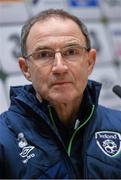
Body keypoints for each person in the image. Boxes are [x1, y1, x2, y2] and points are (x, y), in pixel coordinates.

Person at [0, 9, 121, 179]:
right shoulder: (3, 138)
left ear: (90, 62)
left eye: (71, 52)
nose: (59, 67)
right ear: (25, 68)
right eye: (43, 55)